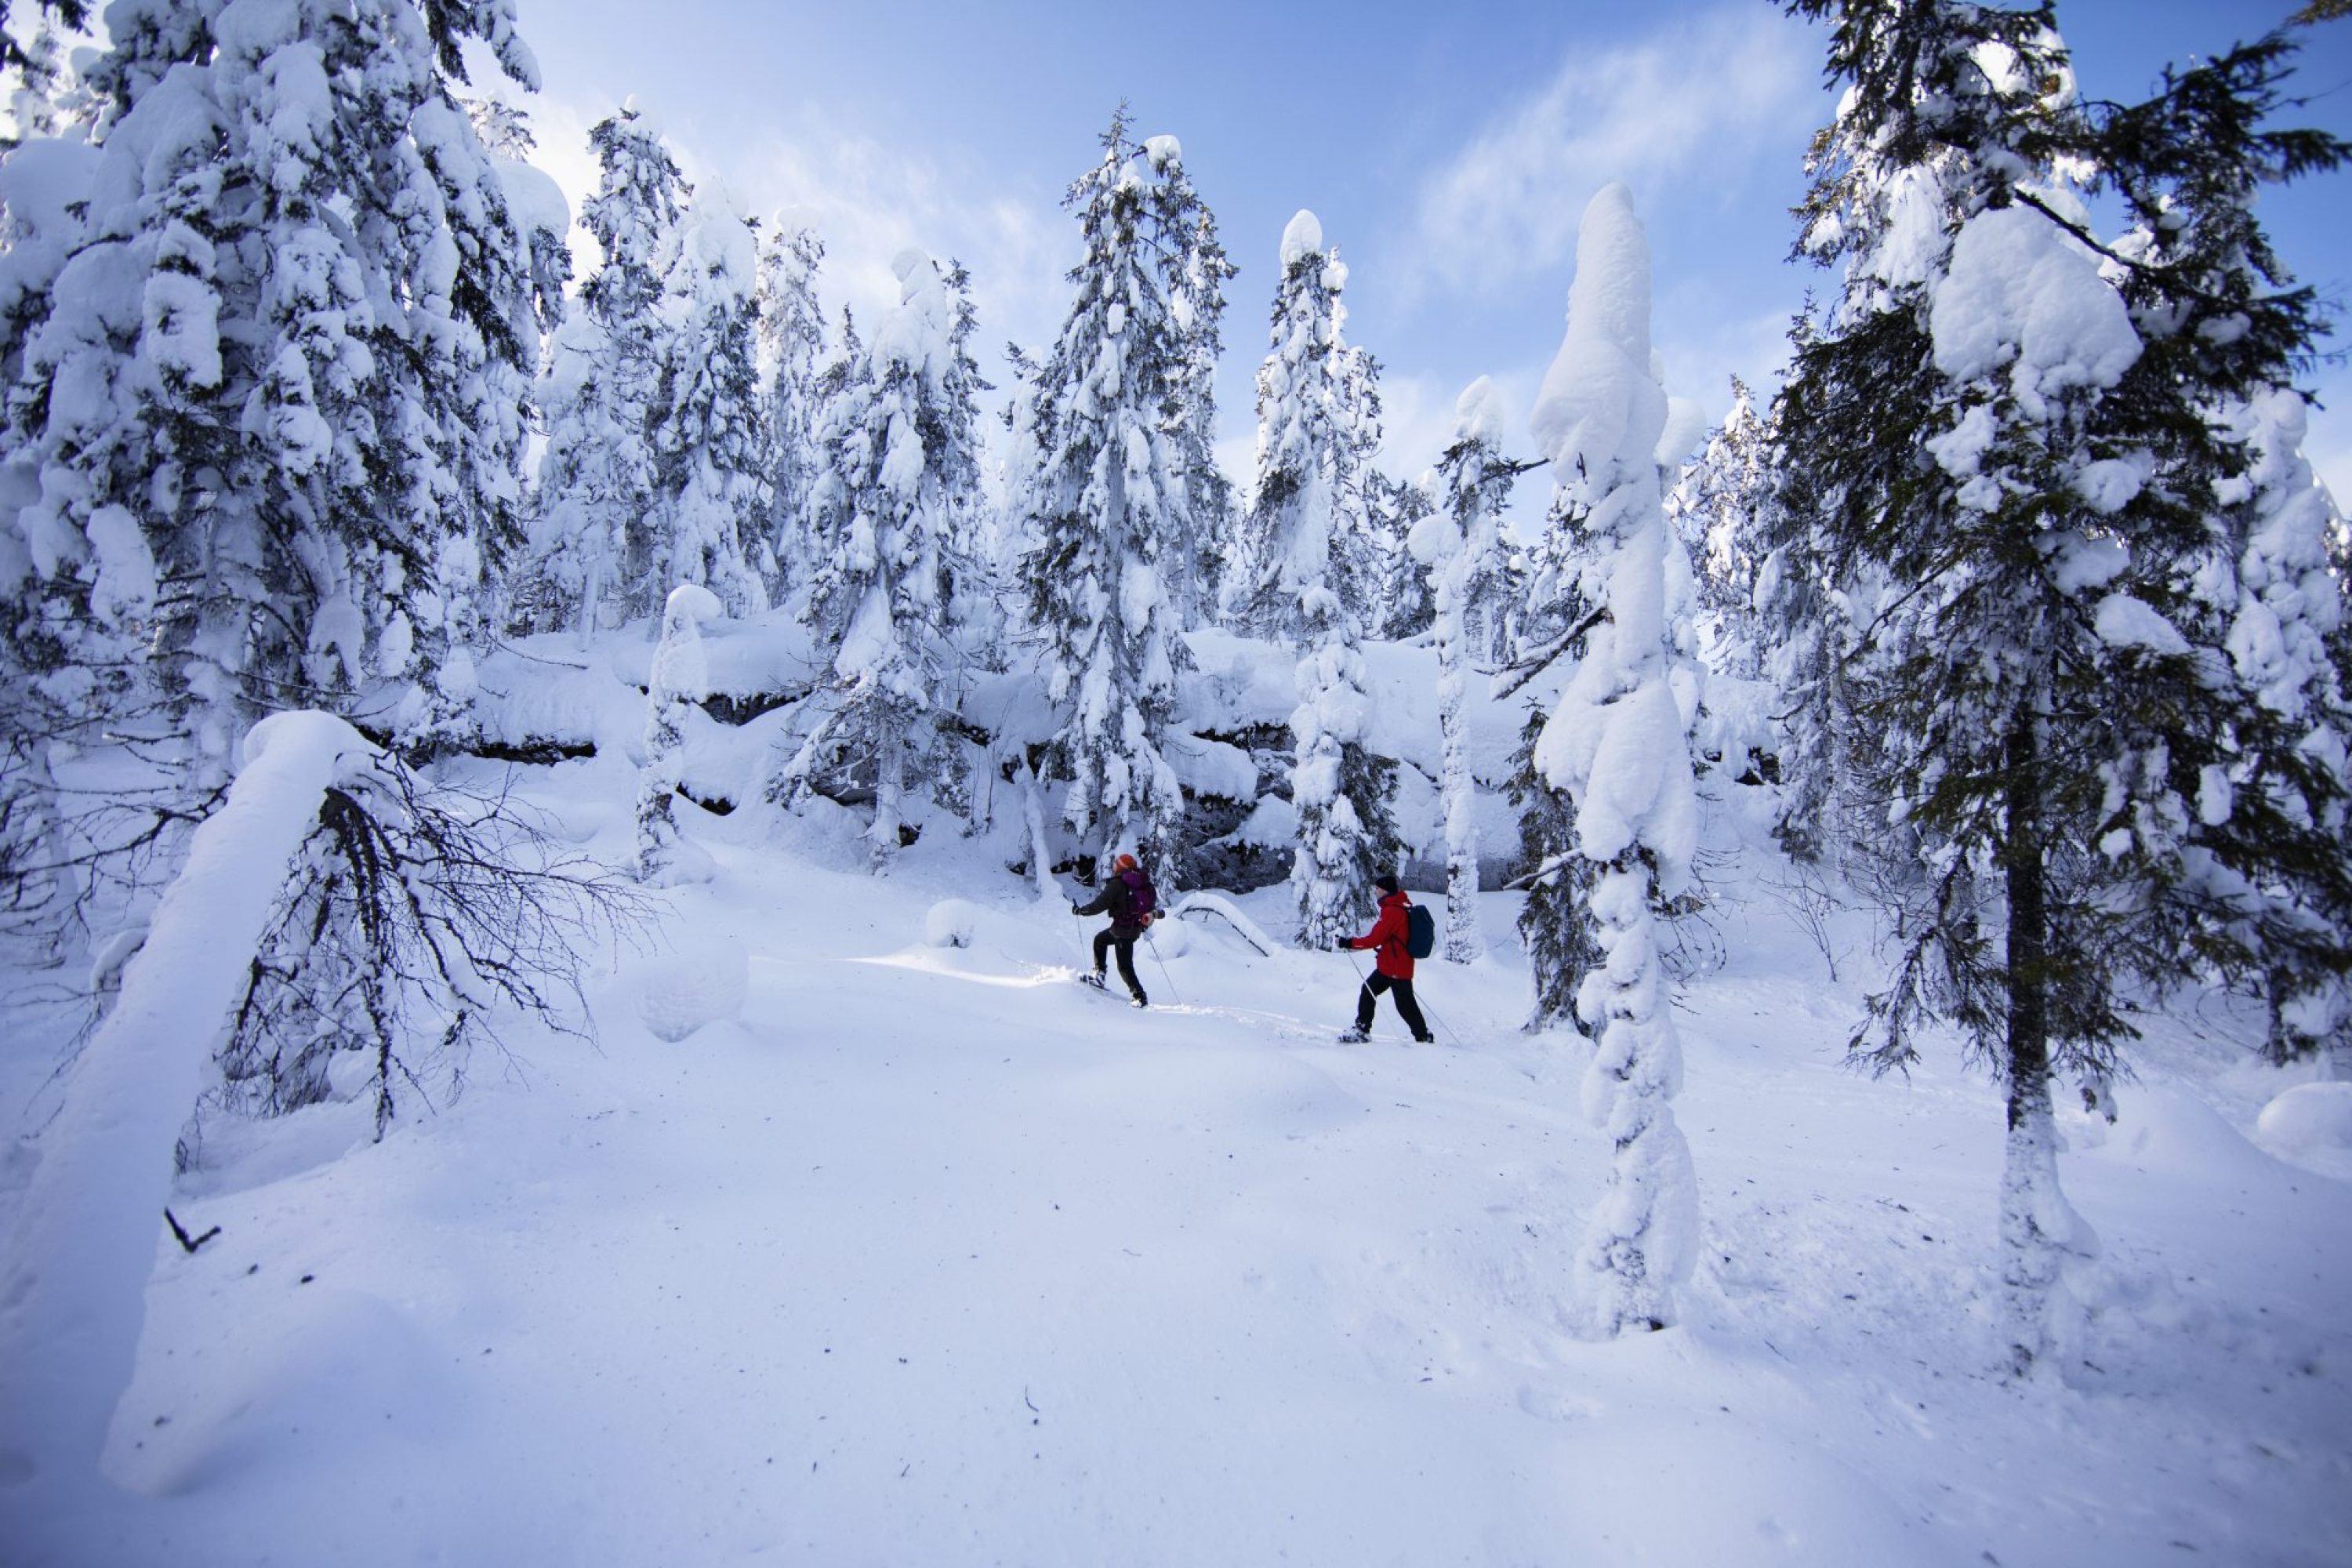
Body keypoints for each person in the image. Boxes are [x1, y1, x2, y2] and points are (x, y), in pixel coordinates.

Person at [1338, 873, 1432, 1043]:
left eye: (1378, 888)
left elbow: (1374, 939)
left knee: (1405, 1006)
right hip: (1390, 966)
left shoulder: (1393, 911)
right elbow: (1393, 938)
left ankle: (1423, 1036)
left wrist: (1348, 942)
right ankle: (1362, 1030)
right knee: (1369, 990)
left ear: (1385, 891)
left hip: (1397, 968)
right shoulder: (1396, 907)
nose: (1375, 891)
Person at [1072, 852, 1155, 1007]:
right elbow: (1151, 904)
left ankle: (1140, 996)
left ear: (1121, 867)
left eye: (1116, 864)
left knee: (1124, 966)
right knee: (1100, 940)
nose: (1113, 867)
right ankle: (1099, 975)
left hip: (1123, 930)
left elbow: (1099, 905)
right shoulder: (1143, 882)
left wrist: (1081, 911)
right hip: (1132, 928)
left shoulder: (1118, 884)